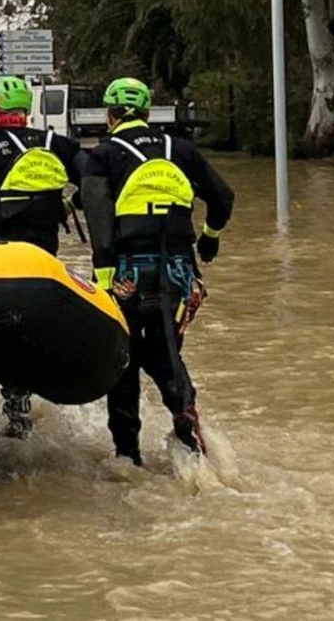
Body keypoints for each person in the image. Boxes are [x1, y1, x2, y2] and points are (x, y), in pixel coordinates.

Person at [79, 77, 233, 462]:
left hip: (126, 273)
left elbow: (98, 221)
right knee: (166, 350)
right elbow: (223, 197)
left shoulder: (103, 155)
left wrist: (105, 283)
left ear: (110, 115)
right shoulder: (181, 149)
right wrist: (209, 236)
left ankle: (127, 456)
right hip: (179, 273)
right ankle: (186, 421)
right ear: (148, 113)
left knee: (123, 359)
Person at [0, 75, 84, 437]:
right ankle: (31, 388)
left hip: (0, 255)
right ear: (27, 111)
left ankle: (14, 401)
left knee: (1, 326)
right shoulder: (56, 144)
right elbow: (94, 177)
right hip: (44, 258)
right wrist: (73, 204)